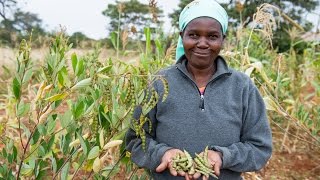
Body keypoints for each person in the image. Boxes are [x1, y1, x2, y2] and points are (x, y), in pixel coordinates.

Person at [125, 0, 273, 179]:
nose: (202, 43)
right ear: (182, 36)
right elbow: (135, 140)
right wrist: (163, 153)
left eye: (212, 36)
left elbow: (259, 147)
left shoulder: (242, 87)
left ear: (223, 39)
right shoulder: (159, 83)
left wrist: (223, 157)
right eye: (193, 35)